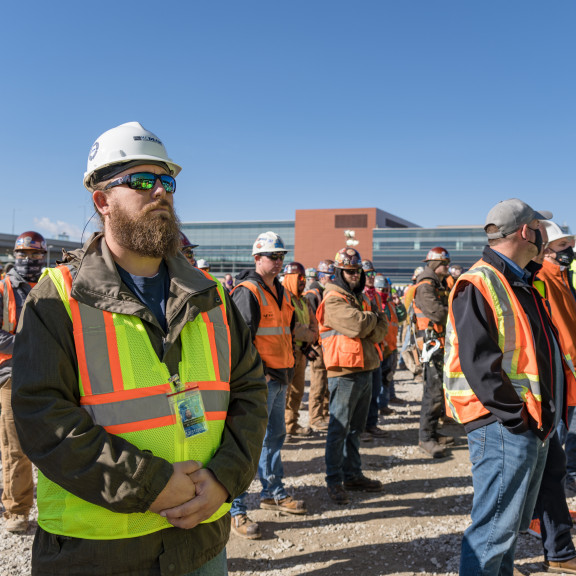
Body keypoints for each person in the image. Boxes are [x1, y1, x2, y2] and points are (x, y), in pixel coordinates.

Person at [11, 121, 268, 575]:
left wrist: (224, 479)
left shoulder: (212, 295)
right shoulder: (58, 297)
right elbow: (41, 417)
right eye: (142, 181)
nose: (161, 193)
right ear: (102, 201)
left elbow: (248, 392)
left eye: (167, 181)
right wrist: (149, 484)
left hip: (201, 541)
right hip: (96, 551)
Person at [443, 198, 574, 575]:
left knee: (507, 532)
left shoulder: (519, 280)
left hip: (526, 422)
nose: (543, 235)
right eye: (538, 228)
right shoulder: (480, 282)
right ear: (523, 231)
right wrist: (515, 417)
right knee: (493, 530)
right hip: (502, 424)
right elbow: (479, 364)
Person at [230, 231, 306, 540]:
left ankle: (273, 492)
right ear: (257, 258)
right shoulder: (247, 291)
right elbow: (240, 340)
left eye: (281, 256)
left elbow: (284, 328)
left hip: (280, 376)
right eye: (273, 256)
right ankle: (236, 510)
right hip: (258, 381)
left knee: (275, 437)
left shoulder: (281, 291)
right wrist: (253, 376)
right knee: (246, 444)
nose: (278, 262)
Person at [316, 248, 387, 504]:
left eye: (357, 271)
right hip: (344, 372)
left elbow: (381, 328)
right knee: (339, 429)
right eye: (349, 271)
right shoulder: (333, 298)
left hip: (365, 368)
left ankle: (353, 474)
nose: (354, 275)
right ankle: (334, 480)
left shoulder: (357, 298)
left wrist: (370, 321)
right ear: (339, 271)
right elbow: (358, 325)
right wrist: (371, 319)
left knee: (356, 429)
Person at [0, 231, 47, 533]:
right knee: (15, 448)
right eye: (23, 255)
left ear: (43, 256)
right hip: (12, 376)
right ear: (14, 255)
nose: (28, 260)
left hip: (48, 374)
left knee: (55, 443)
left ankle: (57, 509)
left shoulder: (51, 285)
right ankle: (17, 511)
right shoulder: (4, 288)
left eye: (34, 255)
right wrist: (37, 343)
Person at [413, 247, 453, 458]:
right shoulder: (426, 286)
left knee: (438, 390)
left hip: (438, 344)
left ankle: (432, 432)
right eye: (445, 264)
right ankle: (425, 437)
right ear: (436, 265)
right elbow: (438, 314)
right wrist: (455, 313)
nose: (448, 268)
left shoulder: (436, 284)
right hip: (430, 346)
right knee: (433, 392)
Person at [282, 262, 318, 440]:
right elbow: (290, 326)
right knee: (284, 392)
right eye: (299, 278)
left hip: (301, 351)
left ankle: (291, 425)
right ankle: (281, 428)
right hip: (287, 351)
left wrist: (308, 337)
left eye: (304, 278)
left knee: (297, 391)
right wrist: (307, 334)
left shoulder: (303, 301)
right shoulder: (283, 299)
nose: (303, 282)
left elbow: (314, 325)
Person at [303, 259, 335, 431]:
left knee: (327, 383)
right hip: (318, 345)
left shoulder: (325, 293)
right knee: (318, 383)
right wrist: (312, 344)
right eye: (331, 277)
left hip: (327, 344)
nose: (333, 280)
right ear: (322, 277)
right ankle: (315, 418)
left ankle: (325, 414)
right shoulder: (313, 295)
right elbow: (312, 322)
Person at [361, 259, 388, 439]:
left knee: (375, 388)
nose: (371, 277)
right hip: (363, 349)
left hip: (377, 348)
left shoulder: (376, 296)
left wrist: (378, 332)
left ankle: (372, 424)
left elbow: (382, 321)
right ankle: (361, 427)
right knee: (363, 391)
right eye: (367, 274)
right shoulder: (358, 294)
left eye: (372, 273)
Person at [374, 275, 400, 416]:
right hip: (379, 348)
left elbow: (400, 319)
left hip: (390, 347)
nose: (383, 292)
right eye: (380, 289)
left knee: (387, 378)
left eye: (385, 289)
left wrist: (399, 305)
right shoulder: (376, 305)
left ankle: (383, 405)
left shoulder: (390, 305)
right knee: (376, 381)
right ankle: (375, 406)